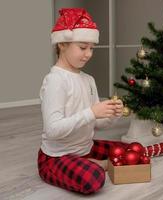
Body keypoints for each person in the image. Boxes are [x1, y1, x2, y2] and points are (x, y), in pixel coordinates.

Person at [38, 8, 127, 194]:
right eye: (82, 47)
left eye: (92, 48)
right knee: (94, 179)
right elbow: (53, 130)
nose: (88, 54)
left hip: (86, 148)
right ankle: (96, 165)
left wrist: (112, 115)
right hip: (57, 156)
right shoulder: (55, 81)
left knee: (133, 150)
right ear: (62, 44)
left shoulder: (88, 80)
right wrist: (92, 112)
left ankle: (91, 162)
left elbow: (97, 124)